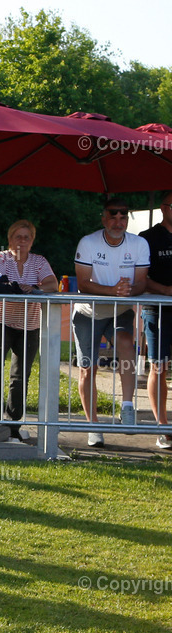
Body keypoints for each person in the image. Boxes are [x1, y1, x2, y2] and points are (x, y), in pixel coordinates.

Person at [73, 197, 149, 448]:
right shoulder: (88, 241)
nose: (118, 221)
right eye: (113, 215)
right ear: (104, 218)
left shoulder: (139, 243)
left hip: (120, 309)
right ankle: (93, 426)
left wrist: (129, 291)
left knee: (127, 345)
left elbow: (141, 282)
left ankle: (127, 407)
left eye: (124, 216)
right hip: (89, 311)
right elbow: (83, 284)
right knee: (87, 368)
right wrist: (113, 290)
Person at [0, 220, 59, 440]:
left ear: (32, 241)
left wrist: (33, 288)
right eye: (18, 236)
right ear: (10, 239)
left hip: (29, 323)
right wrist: (14, 288)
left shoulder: (39, 261)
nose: (22, 241)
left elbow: (52, 284)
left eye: (27, 237)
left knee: (20, 374)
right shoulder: (2, 257)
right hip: (0, 319)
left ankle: (14, 420)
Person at [140, 190, 172, 449]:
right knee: (158, 367)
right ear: (163, 208)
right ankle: (163, 427)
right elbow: (140, 277)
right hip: (156, 309)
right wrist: (165, 291)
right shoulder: (147, 238)